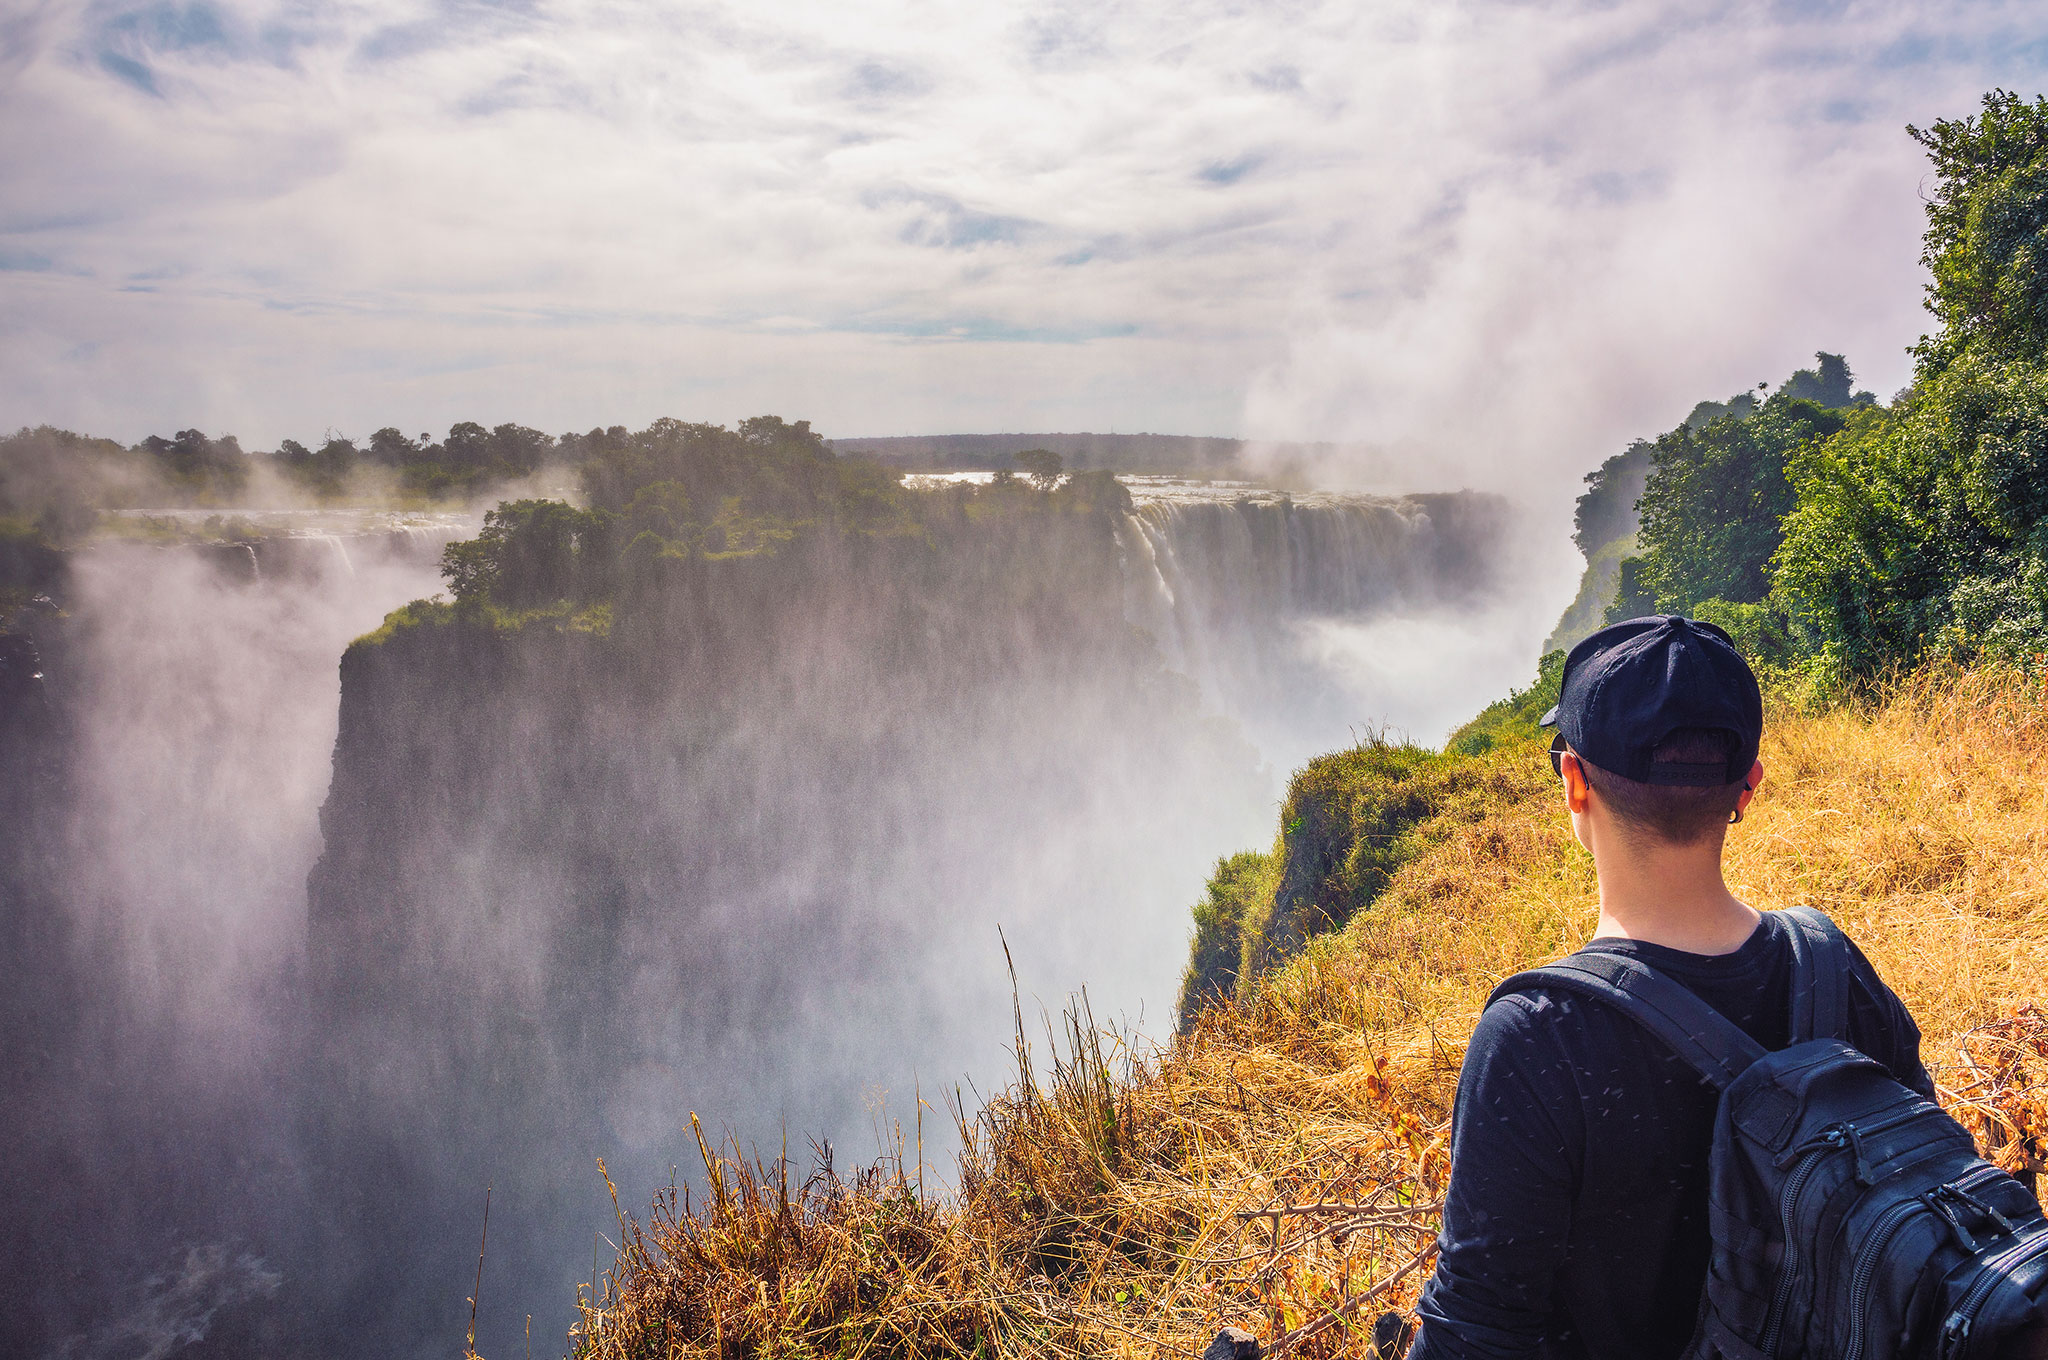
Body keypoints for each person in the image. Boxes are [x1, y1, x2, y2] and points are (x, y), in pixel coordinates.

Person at [1406, 615, 2046, 1360]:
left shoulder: (1536, 1037)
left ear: (1573, 781)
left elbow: (1476, 1333)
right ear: (1748, 787)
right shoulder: (1835, 966)